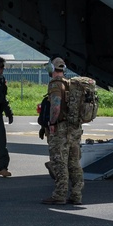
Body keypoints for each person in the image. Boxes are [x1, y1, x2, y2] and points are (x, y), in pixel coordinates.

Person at [43, 57, 84, 205]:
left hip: (61, 129)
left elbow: (56, 106)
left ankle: (60, 194)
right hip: (74, 128)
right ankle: (77, 194)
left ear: (52, 69)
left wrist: (52, 122)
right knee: (74, 162)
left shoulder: (55, 85)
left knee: (59, 161)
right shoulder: (70, 84)